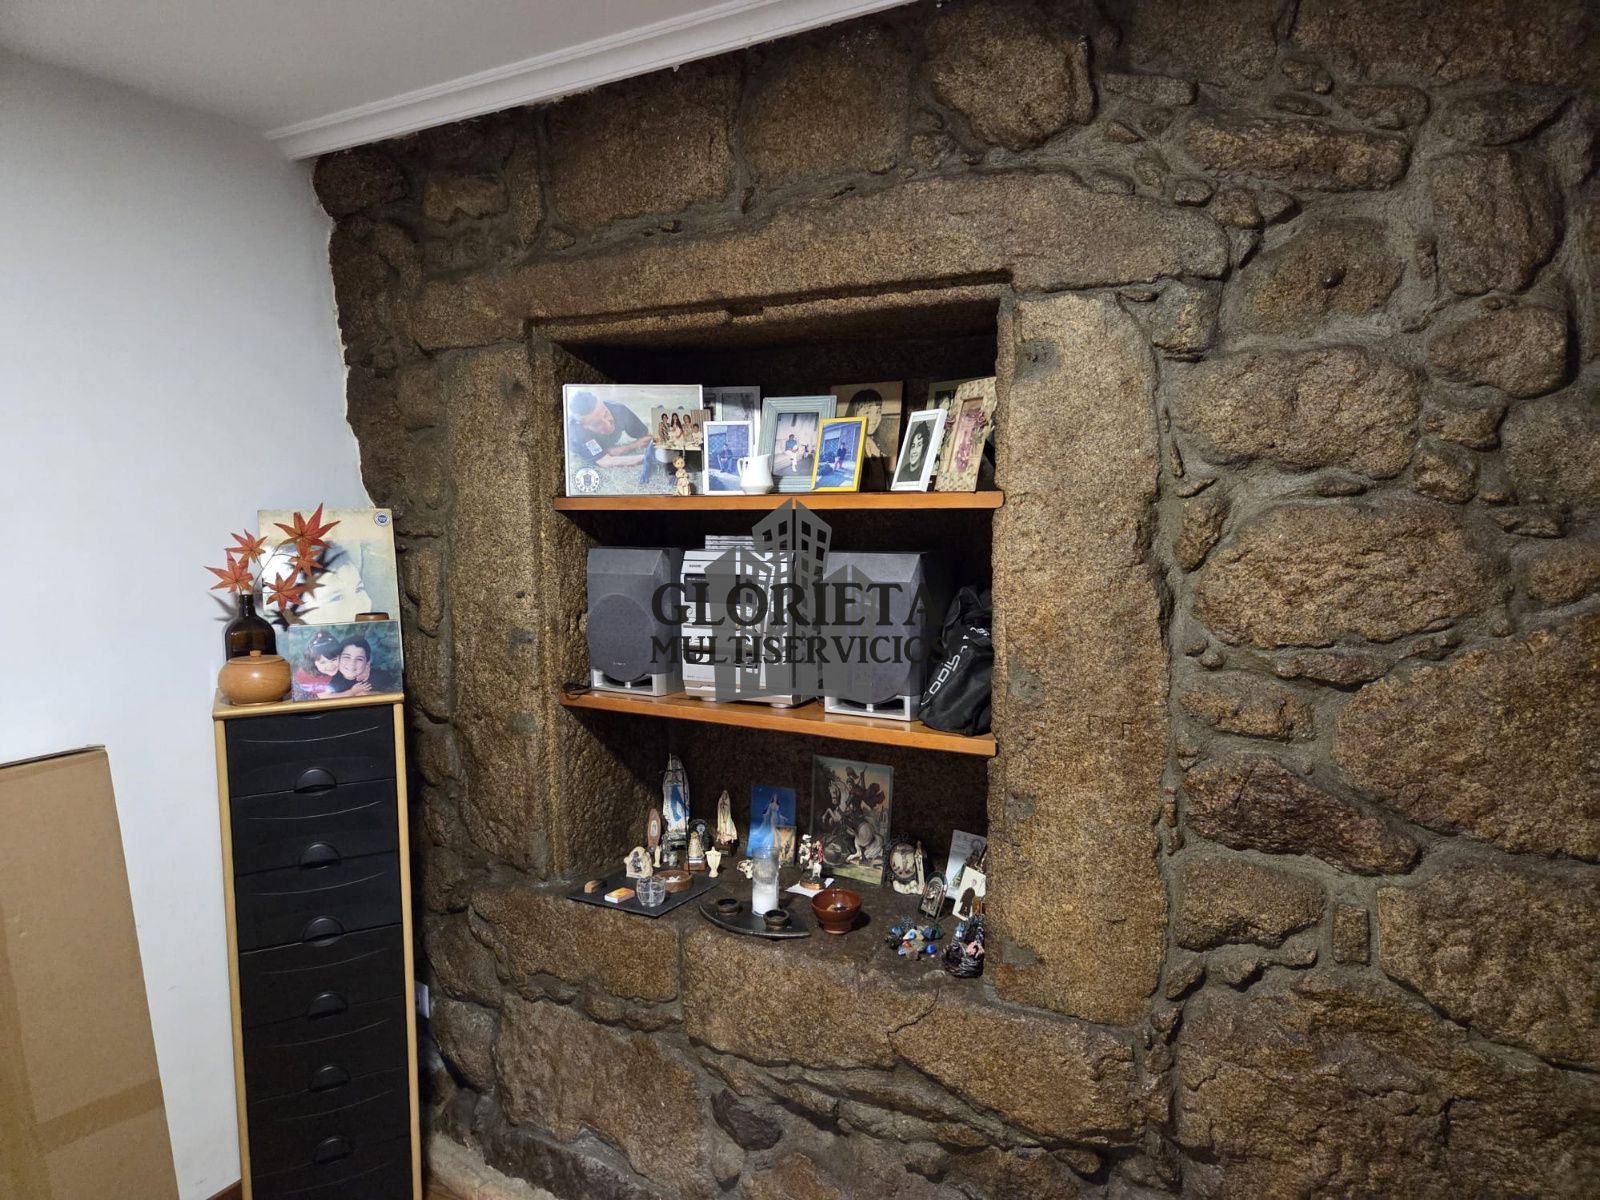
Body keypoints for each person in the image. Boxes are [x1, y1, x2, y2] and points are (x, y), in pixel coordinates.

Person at [567, 390, 651, 469]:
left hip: (605, 443)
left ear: (604, 405)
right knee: (606, 452)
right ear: (584, 426)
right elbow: (605, 461)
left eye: (606, 413)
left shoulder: (618, 409)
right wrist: (647, 456)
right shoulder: (577, 432)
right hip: (581, 444)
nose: (608, 425)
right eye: (596, 424)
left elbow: (647, 436)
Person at [325, 635, 396, 695]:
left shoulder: (378, 678)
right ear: (337, 658)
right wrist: (352, 692)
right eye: (346, 657)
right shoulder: (328, 678)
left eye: (359, 659)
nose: (352, 663)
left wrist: (374, 694)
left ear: (367, 662)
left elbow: (394, 694)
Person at [293, 630, 341, 699]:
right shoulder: (314, 679)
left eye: (333, 660)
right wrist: (352, 691)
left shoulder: (340, 662)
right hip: (310, 684)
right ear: (313, 663)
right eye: (323, 662)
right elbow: (326, 697)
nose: (330, 666)